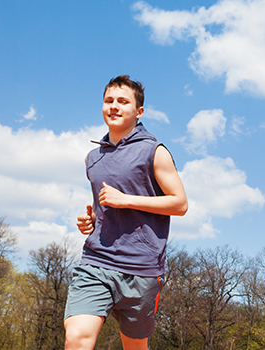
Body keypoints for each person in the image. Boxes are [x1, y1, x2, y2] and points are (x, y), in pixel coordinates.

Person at [65, 75, 187, 350]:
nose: (114, 106)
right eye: (109, 101)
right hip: (96, 261)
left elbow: (180, 204)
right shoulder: (92, 158)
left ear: (138, 111)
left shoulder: (154, 151)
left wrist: (126, 200)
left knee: (134, 347)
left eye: (123, 101)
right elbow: (103, 205)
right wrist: (92, 220)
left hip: (141, 268)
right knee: (77, 336)